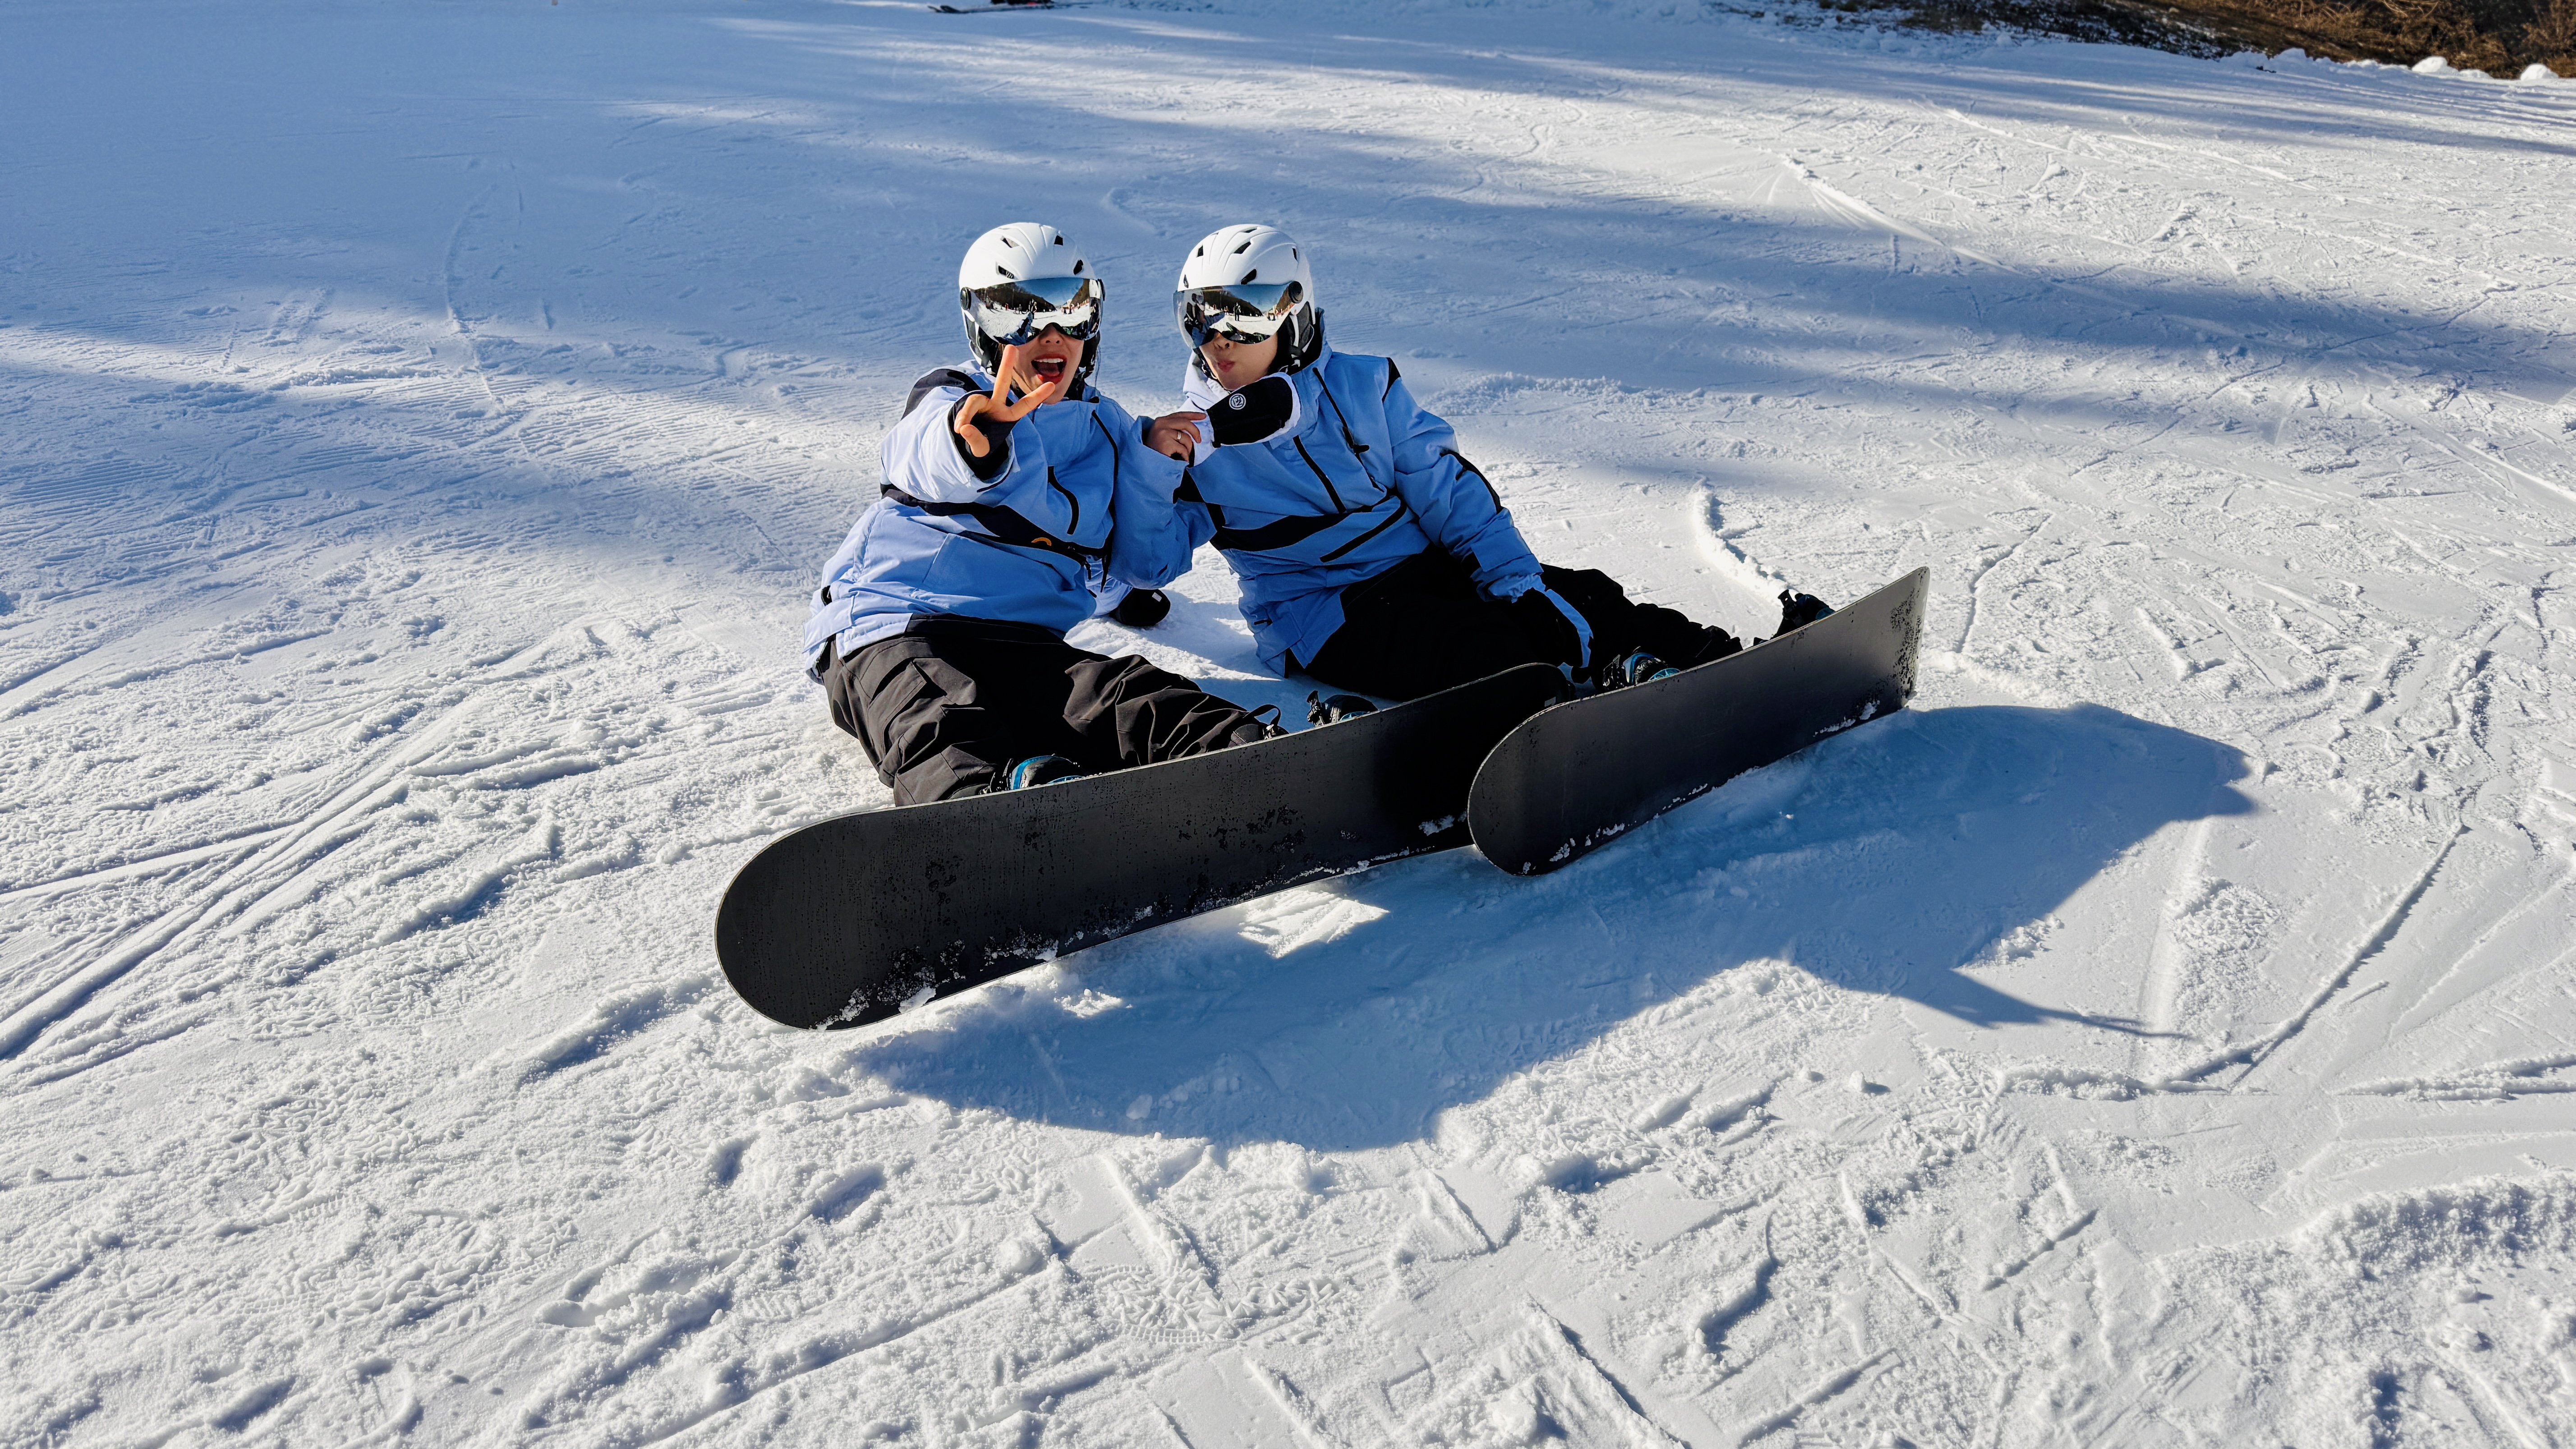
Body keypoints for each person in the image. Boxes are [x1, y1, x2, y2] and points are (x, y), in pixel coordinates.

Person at [1162, 224, 1829, 703]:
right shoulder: (1193, 443)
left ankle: (1733, 669)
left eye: (1242, 319)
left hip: (1420, 567)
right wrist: (1150, 472)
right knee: (1484, 649)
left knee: (1583, 598)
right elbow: (1144, 557)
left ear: (1293, 317)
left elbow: (1447, 490)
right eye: (1200, 320)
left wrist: (1516, 581)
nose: (1219, 341)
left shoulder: (1365, 386)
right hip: (1323, 613)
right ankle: (1570, 728)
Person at [804, 222, 1274, 804]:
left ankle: (1261, 765)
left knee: (1133, 701)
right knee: (940, 724)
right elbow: (919, 455)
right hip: (896, 625)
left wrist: (1153, 467)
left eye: (1070, 311)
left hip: (1024, 643)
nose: (1050, 334)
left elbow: (1147, 564)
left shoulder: (1114, 434)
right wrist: (978, 442)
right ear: (981, 326)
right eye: (1017, 314)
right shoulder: (954, 396)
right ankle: (983, 817)